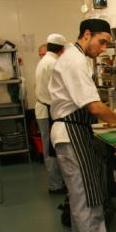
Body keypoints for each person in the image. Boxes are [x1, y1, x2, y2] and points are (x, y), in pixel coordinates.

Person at [49, 19, 116, 232]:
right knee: (88, 199)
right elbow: (94, 107)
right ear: (86, 35)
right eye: (102, 41)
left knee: (78, 198)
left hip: (69, 132)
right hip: (71, 133)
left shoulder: (73, 57)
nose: (104, 48)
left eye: (107, 43)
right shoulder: (75, 61)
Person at [35, 33, 66, 194]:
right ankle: (55, 185)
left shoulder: (44, 61)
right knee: (52, 149)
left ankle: (56, 182)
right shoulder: (53, 63)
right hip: (47, 111)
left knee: (50, 148)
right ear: (62, 49)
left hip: (44, 110)